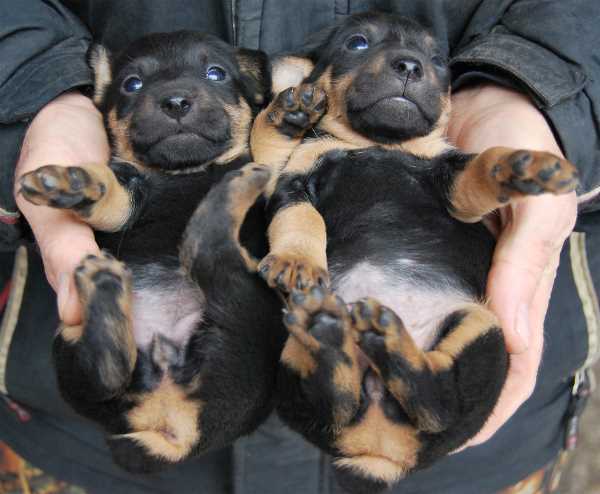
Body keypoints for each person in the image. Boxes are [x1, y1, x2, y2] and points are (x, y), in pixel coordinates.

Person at [0, 1, 598, 493]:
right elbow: (287, 209)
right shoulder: (287, 163)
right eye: (358, 48)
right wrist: (44, 101)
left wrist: (527, 101)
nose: (405, 65)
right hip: (82, 442)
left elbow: (466, 188)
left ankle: (351, 371)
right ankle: (380, 375)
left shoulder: (421, 155)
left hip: (476, 455)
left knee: (458, 338)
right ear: (304, 77)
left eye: (427, 62)